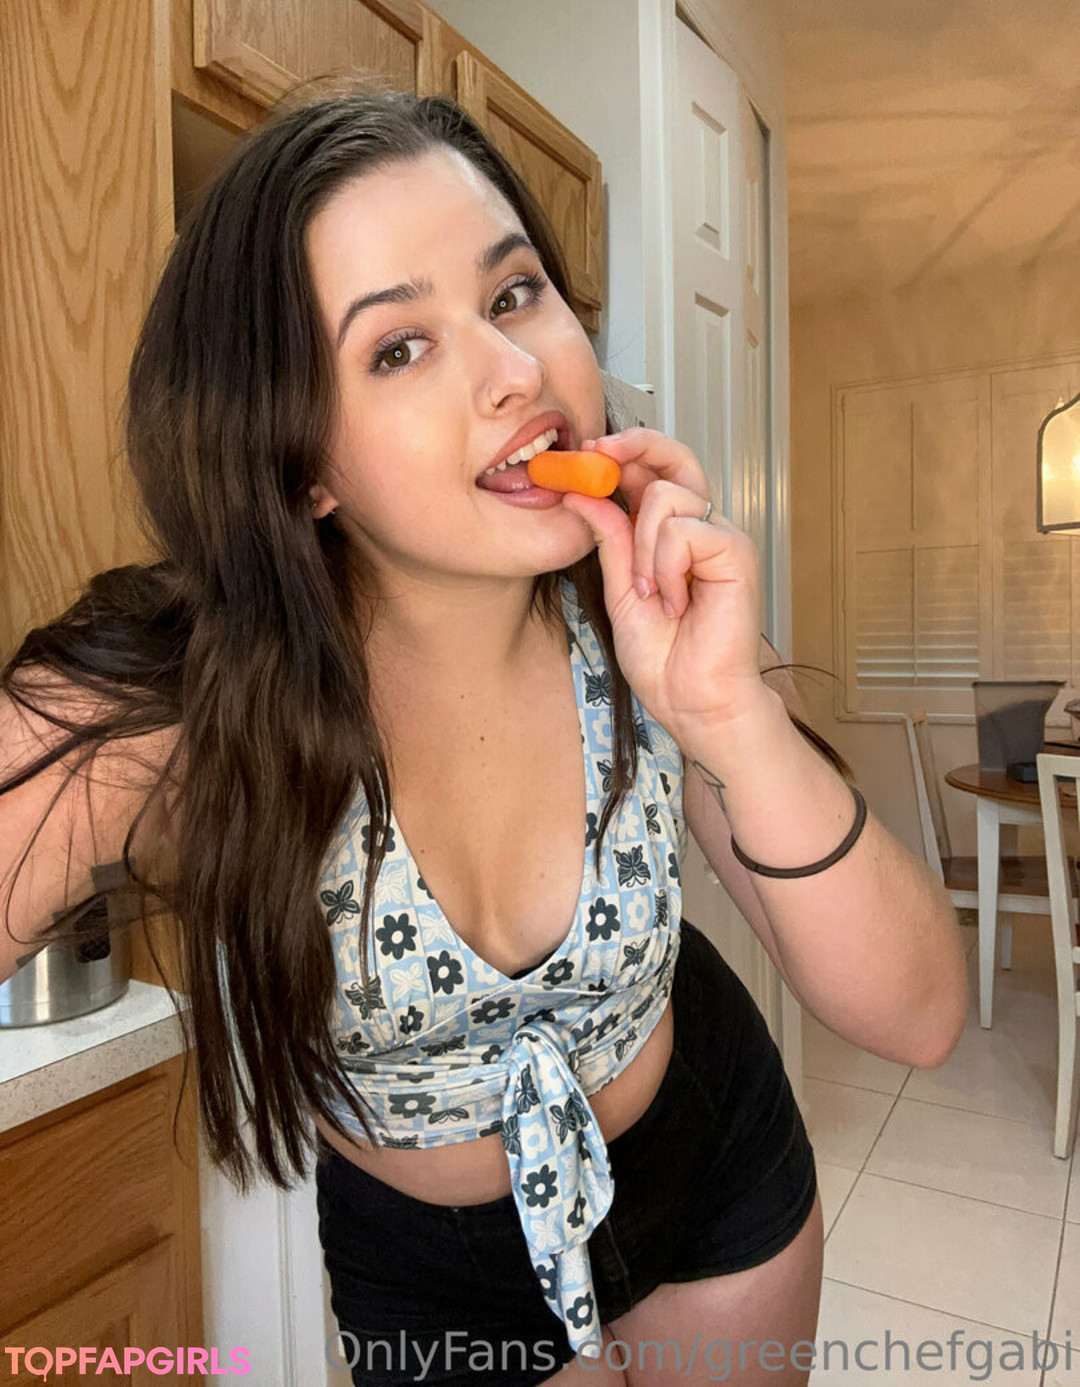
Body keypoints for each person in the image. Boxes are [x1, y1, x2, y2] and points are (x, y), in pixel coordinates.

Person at [0, 85, 968, 1385]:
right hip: (436, 1268)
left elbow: (921, 1018)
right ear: (301, 461)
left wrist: (729, 715)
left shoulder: (650, 615)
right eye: (399, 348)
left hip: (711, 1164)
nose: (517, 372)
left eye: (513, 295)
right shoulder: (183, 703)